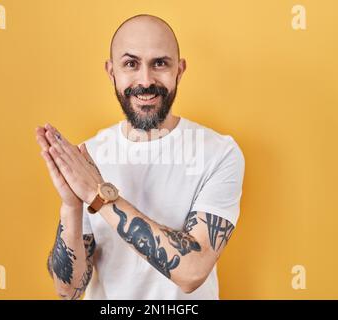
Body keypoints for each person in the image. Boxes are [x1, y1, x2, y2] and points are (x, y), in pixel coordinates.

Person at [35, 14, 245, 300]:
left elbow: (193, 271)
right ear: (111, 72)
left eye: (159, 63)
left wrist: (97, 196)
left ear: (179, 71)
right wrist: (71, 206)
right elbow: (68, 291)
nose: (145, 81)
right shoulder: (88, 158)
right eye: (130, 64)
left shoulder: (219, 153)